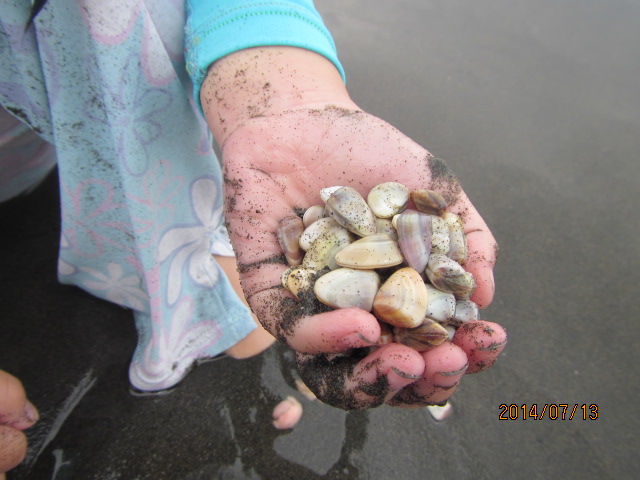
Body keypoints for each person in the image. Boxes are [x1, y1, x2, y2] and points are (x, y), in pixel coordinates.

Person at [1, 0, 505, 474]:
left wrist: (282, 87)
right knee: (89, 166)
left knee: (149, 181)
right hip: (32, 96)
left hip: (126, 66)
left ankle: (193, 280)